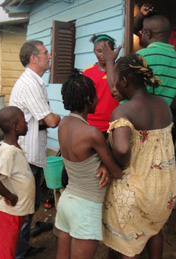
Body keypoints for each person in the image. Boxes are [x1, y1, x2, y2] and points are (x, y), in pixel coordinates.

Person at [101, 53, 176, 259]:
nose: (114, 87)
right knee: (154, 231)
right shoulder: (163, 104)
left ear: (124, 81)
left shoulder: (123, 111)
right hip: (164, 189)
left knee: (129, 243)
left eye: (115, 81)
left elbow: (123, 149)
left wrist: (110, 158)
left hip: (137, 189)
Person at [56, 70, 123, 259]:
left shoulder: (63, 124)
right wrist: (107, 164)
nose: (98, 100)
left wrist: (101, 161)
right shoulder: (92, 133)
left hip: (67, 200)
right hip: (85, 207)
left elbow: (83, 157)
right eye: (95, 96)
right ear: (88, 99)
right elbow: (116, 172)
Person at [9, 40, 61, 258]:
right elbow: (50, 120)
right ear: (34, 58)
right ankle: (17, 253)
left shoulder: (35, 82)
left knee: (29, 206)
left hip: (32, 152)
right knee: (24, 208)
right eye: (45, 53)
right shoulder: (30, 84)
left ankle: (22, 247)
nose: (49, 56)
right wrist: (57, 117)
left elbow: (37, 120)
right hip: (27, 155)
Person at [0, 106, 34, 259]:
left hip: (15, 212)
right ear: (15, 127)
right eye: (24, 121)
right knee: (5, 253)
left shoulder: (10, 148)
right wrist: (10, 196)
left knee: (7, 250)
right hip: (8, 212)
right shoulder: (9, 151)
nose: (26, 123)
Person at [83, 34, 120, 138]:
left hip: (116, 123)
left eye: (107, 51)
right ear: (94, 51)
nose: (104, 55)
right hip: (93, 125)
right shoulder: (88, 72)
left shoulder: (120, 71)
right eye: (99, 51)